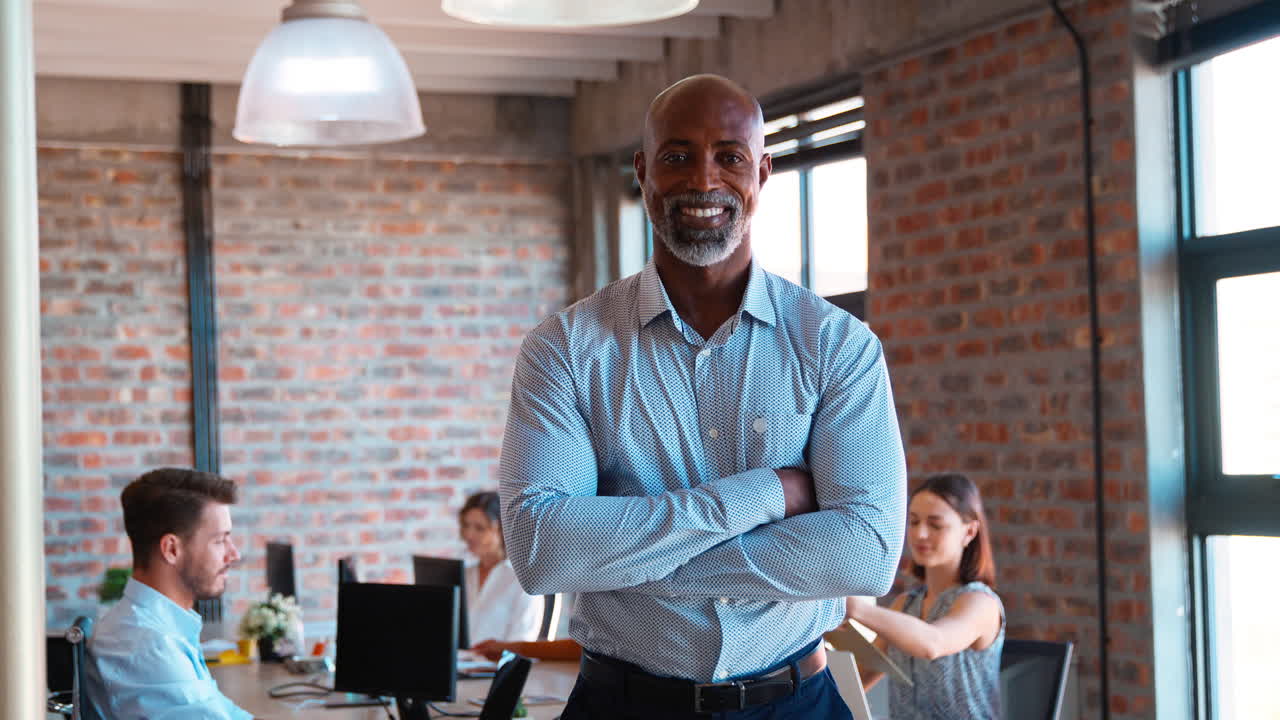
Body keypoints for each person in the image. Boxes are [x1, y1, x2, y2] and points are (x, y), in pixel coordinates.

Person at [498, 74, 907, 720]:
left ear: (764, 171)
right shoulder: (566, 351)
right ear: (642, 170)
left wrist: (634, 561)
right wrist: (766, 494)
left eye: (730, 156)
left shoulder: (837, 348)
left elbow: (867, 553)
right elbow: (545, 551)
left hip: (795, 703)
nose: (704, 180)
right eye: (678, 155)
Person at [85, 467, 253, 720]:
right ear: (172, 549)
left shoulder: (163, 630)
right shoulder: (147, 643)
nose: (234, 554)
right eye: (220, 540)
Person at [844, 473, 1004, 719]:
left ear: (970, 532)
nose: (920, 534)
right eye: (914, 521)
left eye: (935, 525)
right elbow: (854, 683)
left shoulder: (981, 603)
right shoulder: (906, 605)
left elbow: (933, 643)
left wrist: (857, 608)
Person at [459, 491, 542, 646]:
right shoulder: (463, 575)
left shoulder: (522, 582)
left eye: (480, 528)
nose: (469, 535)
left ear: (502, 530)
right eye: (466, 525)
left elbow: (521, 644)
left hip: (496, 668)